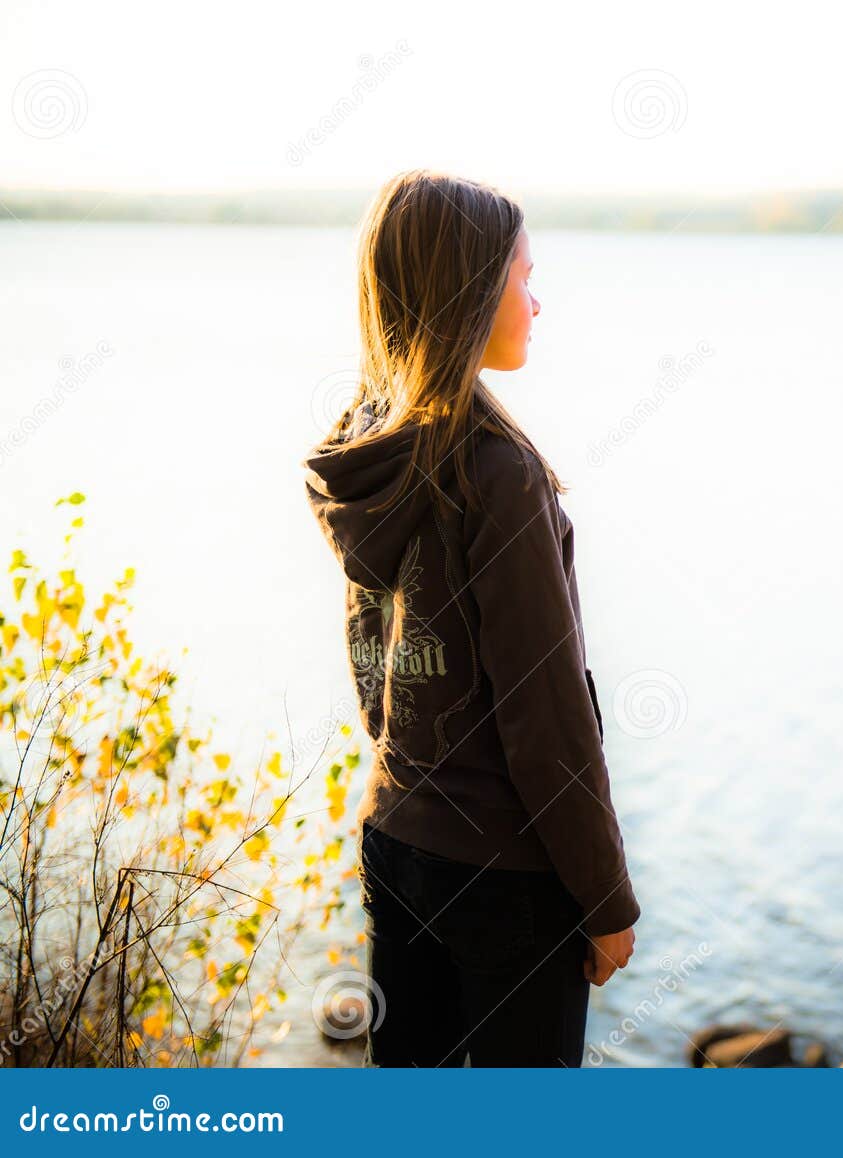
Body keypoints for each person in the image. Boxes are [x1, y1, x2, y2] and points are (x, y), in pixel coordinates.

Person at [302, 169, 639, 1067]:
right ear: (471, 293)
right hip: (506, 880)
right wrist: (606, 901)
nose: (538, 301)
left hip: (399, 840)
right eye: (523, 277)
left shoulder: (372, 453)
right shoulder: (495, 474)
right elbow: (547, 716)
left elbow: (373, 659)